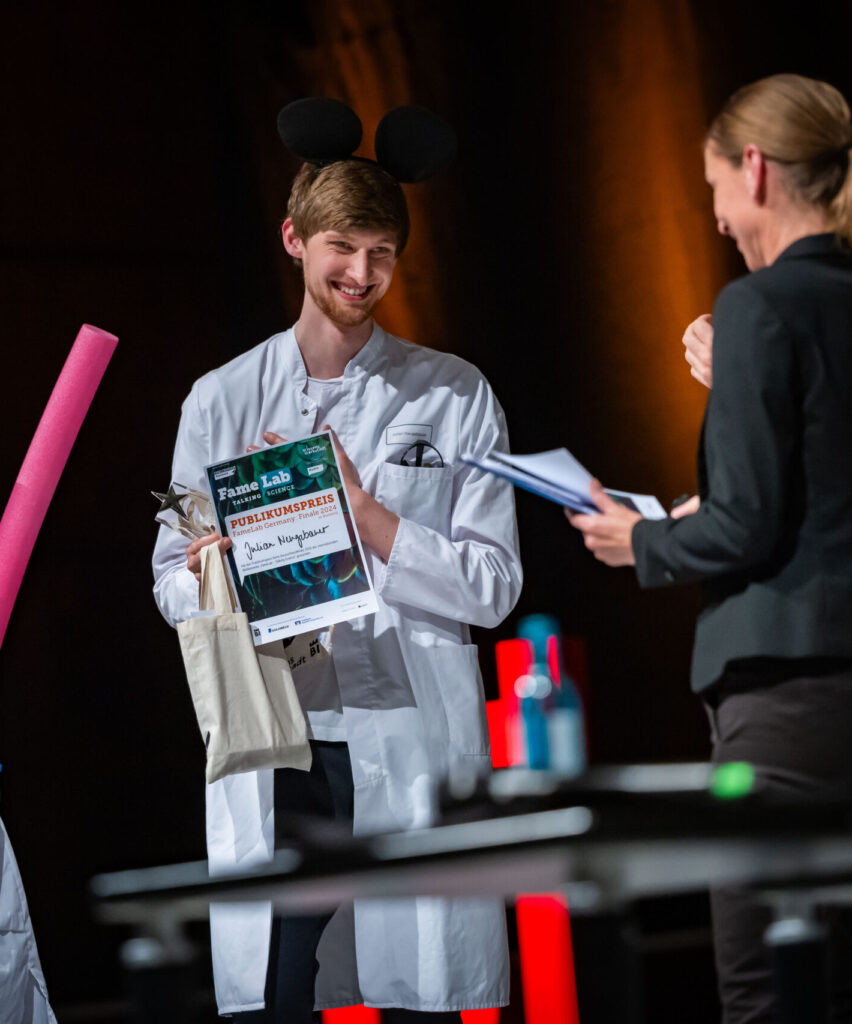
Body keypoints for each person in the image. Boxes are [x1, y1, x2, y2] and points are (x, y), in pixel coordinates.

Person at [153, 136, 522, 1019]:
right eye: (342, 249)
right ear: (294, 240)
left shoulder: (454, 393)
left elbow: (495, 584)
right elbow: (169, 578)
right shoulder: (223, 398)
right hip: (285, 738)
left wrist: (369, 516)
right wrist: (218, 577)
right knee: (277, 996)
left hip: (407, 727)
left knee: (414, 993)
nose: (361, 273)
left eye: (382, 254)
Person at [568, 73, 852, 1024]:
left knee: (769, 991)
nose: (722, 218)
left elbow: (748, 524)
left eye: (717, 189)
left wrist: (640, 537)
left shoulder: (759, 308)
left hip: (788, 694)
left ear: (758, 170)